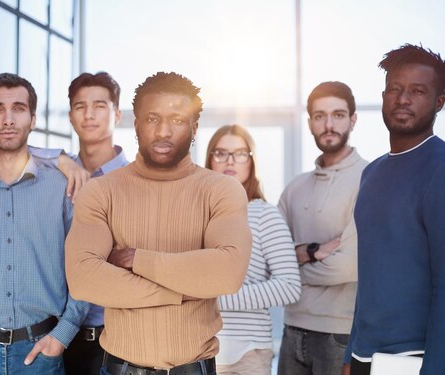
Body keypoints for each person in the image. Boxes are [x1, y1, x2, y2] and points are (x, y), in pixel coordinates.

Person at [65, 71, 252, 374]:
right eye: (152, 119)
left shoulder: (222, 190)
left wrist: (137, 259)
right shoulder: (100, 191)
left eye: (177, 120)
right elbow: (83, 279)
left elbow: (227, 273)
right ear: (136, 124)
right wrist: (186, 288)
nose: (163, 131)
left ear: (194, 126)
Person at [0, 73, 89, 374]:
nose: (8, 119)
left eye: (19, 109)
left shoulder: (63, 186)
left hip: (42, 354)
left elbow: (85, 265)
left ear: (33, 119)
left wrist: (62, 336)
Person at [343, 44, 445, 375]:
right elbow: (370, 274)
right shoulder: (371, 173)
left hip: (413, 359)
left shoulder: (440, 168)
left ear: (439, 102)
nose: (403, 99)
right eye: (395, 90)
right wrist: (348, 357)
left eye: (417, 91)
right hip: (363, 357)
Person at [277, 81, 368, 375]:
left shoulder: (369, 179)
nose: (329, 124)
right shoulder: (294, 189)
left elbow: (348, 267)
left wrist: (292, 265)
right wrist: (314, 252)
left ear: (353, 120)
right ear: (310, 123)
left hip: (338, 335)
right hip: (291, 330)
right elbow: (268, 263)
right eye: (320, 116)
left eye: (338, 115)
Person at [205, 125, 301, 375]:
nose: (229, 161)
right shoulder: (195, 215)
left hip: (246, 357)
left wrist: (215, 297)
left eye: (240, 153)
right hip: (196, 353)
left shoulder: (264, 215)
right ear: (209, 159)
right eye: (221, 153)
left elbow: (289, 287)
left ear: (251, 161)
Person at [59, 72, 129, 375]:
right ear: (71, 116)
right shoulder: (55, 177)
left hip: (117, 337)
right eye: (79, 106)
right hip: (58, 338)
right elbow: (11, 150)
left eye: (99, 106)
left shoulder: (135, 181)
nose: (89, 114)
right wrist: (57, 158)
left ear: (116, 114)